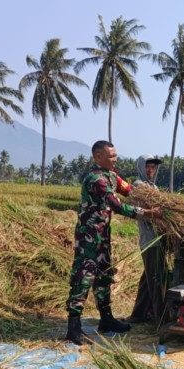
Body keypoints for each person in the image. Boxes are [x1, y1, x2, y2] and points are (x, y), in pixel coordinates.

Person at [65, 140, 162, 345]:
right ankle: (73, 327)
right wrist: (148, 213)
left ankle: (106, 319)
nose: (115, 159)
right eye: (111, 156)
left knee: (103, 277)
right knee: (83, 279)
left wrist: (157, 199)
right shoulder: (96, 179)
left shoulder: (112, 176)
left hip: (103, 237)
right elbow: (117, 206)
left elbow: (130, 191)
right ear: (98, 157)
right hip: (88, 238)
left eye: (115, 155)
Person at [129, 154, 167, 324]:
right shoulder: (139, 187)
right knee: (155, 279)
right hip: (150, 241)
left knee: (147, 279)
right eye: (148, 167)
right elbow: (138, 212)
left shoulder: (154, 187)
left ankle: (138, 315)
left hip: (158, 239)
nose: (151, 170)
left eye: (153, 167)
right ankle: (162, 319)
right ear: (141, 167)